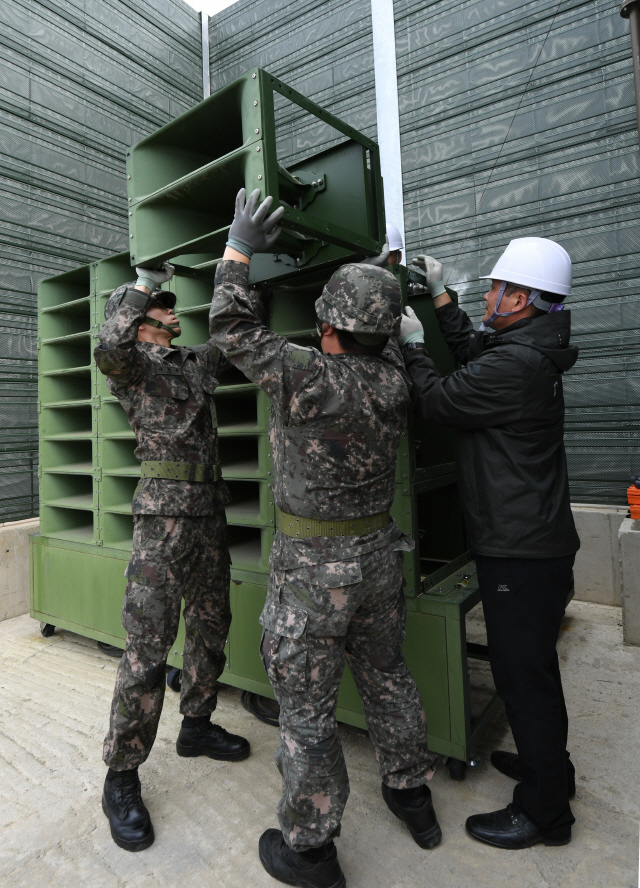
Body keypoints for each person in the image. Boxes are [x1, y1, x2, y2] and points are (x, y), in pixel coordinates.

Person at [209, 189, 440, 888]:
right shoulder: (396, 381)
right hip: (377, 560)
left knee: (306, 712)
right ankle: (412, 795)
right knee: (387, 675)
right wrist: (376, 288)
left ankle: (310, 850)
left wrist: (238, 246)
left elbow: (228, 325)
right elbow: (391, 338)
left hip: (313, 572)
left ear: (328, 328)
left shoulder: (308, 376)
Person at [398, 238, 581, 849]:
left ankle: (545, 813)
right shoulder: (531, 349)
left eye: (499, 290)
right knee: (533, 672)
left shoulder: (516, 367)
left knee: (522, 677)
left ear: (524, 299)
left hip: (520, 549)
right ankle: (549, 771)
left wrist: (414, 345)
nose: (491, 298)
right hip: (537, 542)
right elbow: (476, 347)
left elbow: (438, 401)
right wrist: (443, 299)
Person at [95, 264, 249, 852]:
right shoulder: (128, 366)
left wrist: (240, 267)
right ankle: (122, 776)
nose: (169, 309)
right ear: (137, 320)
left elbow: (234, 340)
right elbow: (109, 342)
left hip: (208, 511)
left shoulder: (192, 363)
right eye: (159, 306)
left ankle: (198, 725)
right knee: (149, 645)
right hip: (161, 520)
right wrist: (139, 287)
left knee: (213, 624)